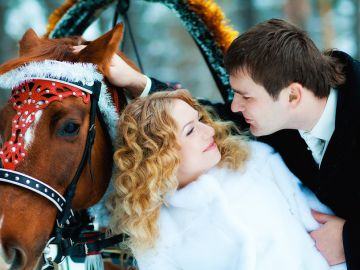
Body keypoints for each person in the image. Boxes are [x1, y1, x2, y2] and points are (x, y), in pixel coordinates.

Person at [107, 89, 346, 270]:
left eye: (200, 120)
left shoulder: (258, 163)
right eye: (190, 130)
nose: (209, 131)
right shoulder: (156, 237)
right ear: (159, 156)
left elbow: (330, 242)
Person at [223, 18, 360, 270]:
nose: (235, 105)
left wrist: (348, 242)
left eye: (246, 96)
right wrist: (140, 84)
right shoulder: (281, 115)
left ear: (292, 95)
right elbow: (219, 117)